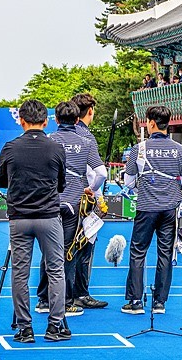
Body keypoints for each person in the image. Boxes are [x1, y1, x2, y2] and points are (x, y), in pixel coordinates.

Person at [0, 99, 69, 343]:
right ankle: (55, 326)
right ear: (46, 121)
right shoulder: (56, 148)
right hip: (49, 217)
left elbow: (2, 182)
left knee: (20, 272)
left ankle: (25, 328)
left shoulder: (10, 148)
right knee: (56, 270)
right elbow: (61, 184)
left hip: (19, 218)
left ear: (21, 120)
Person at [33, 102, 107, 316]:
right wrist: (90, 189)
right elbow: (101, 173)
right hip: (74, 202)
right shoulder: (86, 141)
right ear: (77, 120)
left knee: (48, 250)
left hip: (50, 200)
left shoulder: (48, 140)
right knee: (68, 251)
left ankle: (43, 300)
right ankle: (66, 301)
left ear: (55, 119)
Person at [122, 105, 182, 314]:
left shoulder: (139, 149)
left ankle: (135, 301)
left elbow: (128, 182)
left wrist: (141, 184)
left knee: (138, 252)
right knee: (165, 253)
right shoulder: (180, 150)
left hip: (145, 207)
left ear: (151, 123)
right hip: (170, 209)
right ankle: (159, 302)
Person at [68, 93, 108, 310]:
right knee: (84, 246)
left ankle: (53, 295)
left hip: (63, 198)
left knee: (65, 246)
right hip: (83, 200)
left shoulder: (62, 134)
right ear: (89, 111)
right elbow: (96, 173)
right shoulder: (86, 138)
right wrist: (97, 195)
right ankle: (79, 294)